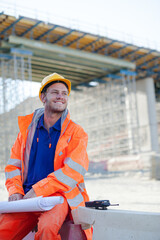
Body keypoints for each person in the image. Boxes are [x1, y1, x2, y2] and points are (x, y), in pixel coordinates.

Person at [0, 73, 92, 240]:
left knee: (47, 230)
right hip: (27, 197)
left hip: (59, 197)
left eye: (64, 94)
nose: (60, 97)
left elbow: (72, 173)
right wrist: (15, 190)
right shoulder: (26, 132)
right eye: (55, 92)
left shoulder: (76, 132)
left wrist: (38, 190)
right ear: (43, 97)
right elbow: (13, 166)